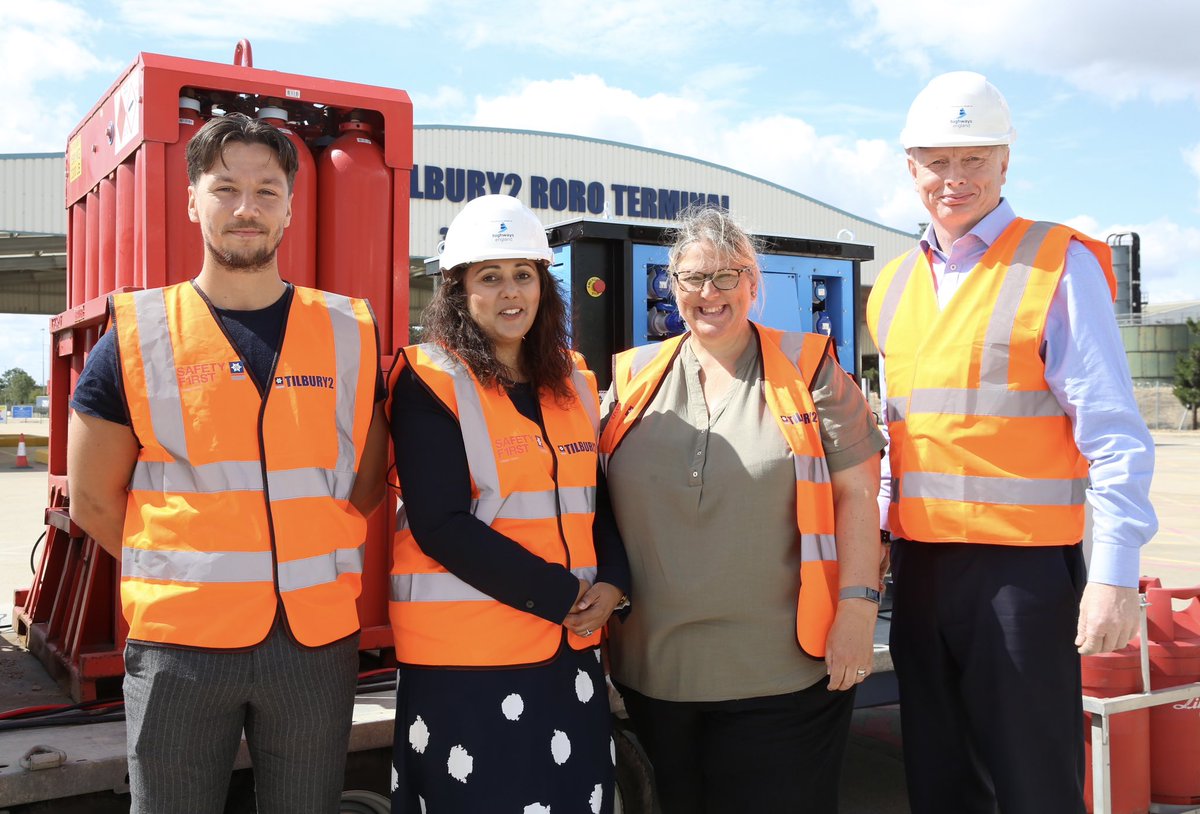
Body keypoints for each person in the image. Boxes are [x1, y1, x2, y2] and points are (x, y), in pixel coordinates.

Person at [67, 113, 389, 814]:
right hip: (180, 648)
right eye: (225, 189)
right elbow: (93, 501)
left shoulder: (349, 333)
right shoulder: (136, 336)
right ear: (192, 201)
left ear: (290, 207)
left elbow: (364, 482)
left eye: (266, 191)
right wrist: (191, 576)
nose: (246, 208)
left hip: (312, 645)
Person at [867, 71, 1159, 814]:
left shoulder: (1056, 265)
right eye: (937, 160)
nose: (953, 178)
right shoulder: (891, 288)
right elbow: (902, 437)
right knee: (940, 782)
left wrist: (1115, 575)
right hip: (921, 571)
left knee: (1033, 786)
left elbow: (1115, 434)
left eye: (973, 159)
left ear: (1005, 162)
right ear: (911, 169)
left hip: (1022, 580)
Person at [599, 205, 885, 814]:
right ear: (672, 288)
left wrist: (859, 612)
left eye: (727, 276)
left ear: (754, 284)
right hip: (655, 675)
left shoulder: (812, 372)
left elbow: (858, 495)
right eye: (693, 279)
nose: (710, 293)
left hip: (784, 676)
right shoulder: (633, 378)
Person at [386, 194, 631, 814]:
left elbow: (594, 499)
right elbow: (441, 524)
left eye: (524, 274)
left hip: (568, 652)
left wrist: (615, 582)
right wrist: (561, 596)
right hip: (469, 664)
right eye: (489, 277)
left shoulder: (574, 380)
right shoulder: (428, 379)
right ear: (456, 289)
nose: (510, 292)